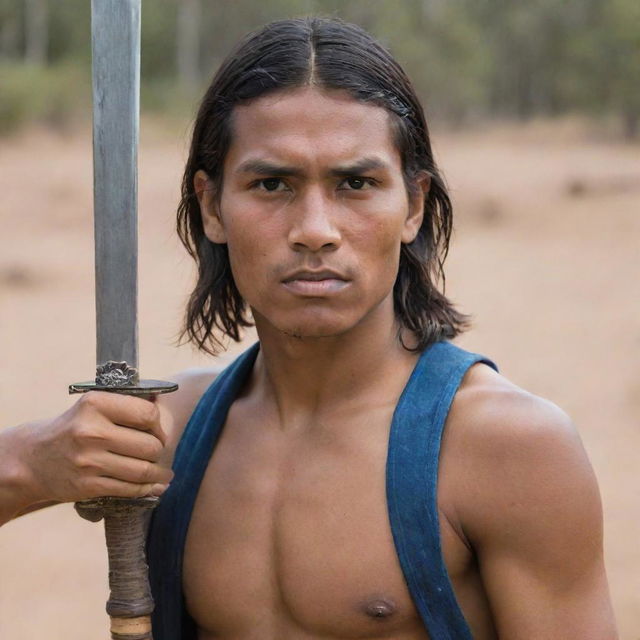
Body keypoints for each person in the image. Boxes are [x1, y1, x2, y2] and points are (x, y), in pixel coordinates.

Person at [0, 17, 617, 640]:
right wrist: (28, 464)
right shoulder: (169, 432)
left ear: (415, 204)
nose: (315, 228)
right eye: (272, 184)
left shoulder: (507, 449)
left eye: (356, 183)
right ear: (213, 206)